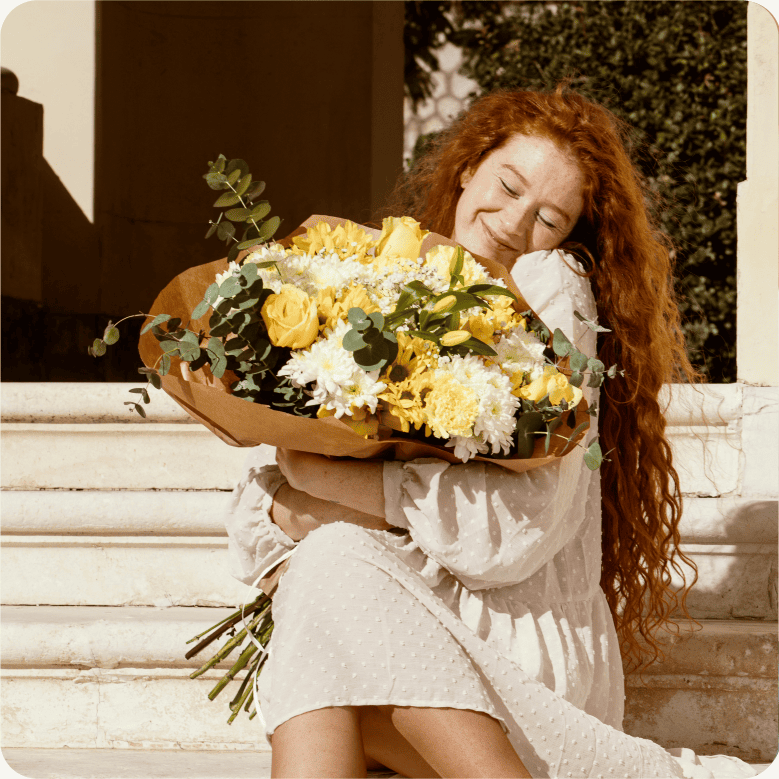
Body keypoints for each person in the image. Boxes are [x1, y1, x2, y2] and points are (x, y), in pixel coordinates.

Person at [224, 86, 757, 778]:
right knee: (326, 587)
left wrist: (331, 489)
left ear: (569, 238)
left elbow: (509, 533)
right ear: (468, 166)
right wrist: (293, 493)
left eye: (548, 217)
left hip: (518, 663)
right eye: (506, 187)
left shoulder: (550, 287)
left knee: (329, 568)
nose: (512, 222)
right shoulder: (393, 281)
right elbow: (256, 512)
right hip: (407, 634)